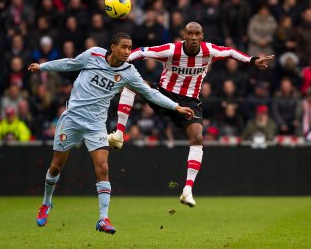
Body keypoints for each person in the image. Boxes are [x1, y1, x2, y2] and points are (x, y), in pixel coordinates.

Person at [27, 32, 193, 234]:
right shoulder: (93, 55)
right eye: (123, 47)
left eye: (130, 48)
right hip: (71, 119)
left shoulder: (129, 72)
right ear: (112, 47)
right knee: (56, 166)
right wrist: (43, 67)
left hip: (96, 124)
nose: (127, 51)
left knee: (103, 167)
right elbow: (70, 63)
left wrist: (176, 107)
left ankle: (103, 218)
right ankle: (46, 203)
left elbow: (150, 93)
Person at [108, 22, 274, 207]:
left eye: (197, 34)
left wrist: (252, 60)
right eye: (190, 34)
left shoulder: (209, 51)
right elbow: (142, 52)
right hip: (163, 93)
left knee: (197, 138)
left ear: (202, 36)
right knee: (131, 85)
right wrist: (121, 60)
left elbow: (230, 52)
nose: (194, 37)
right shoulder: (171, 50)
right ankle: (119, 134)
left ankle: (187, 190)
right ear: (184, 35)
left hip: (189, 102)